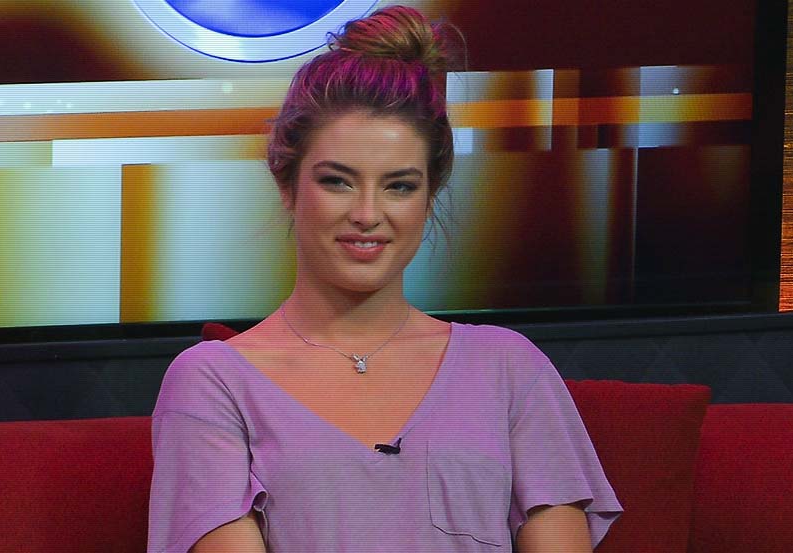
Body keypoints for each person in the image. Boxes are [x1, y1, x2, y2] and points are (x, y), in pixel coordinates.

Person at [147, 6, 622, 553]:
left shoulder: (509, 368)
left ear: (430, 196)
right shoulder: (212, 382)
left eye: (399, 186)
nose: (368, 214)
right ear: (287, 185)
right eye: (338, 182)